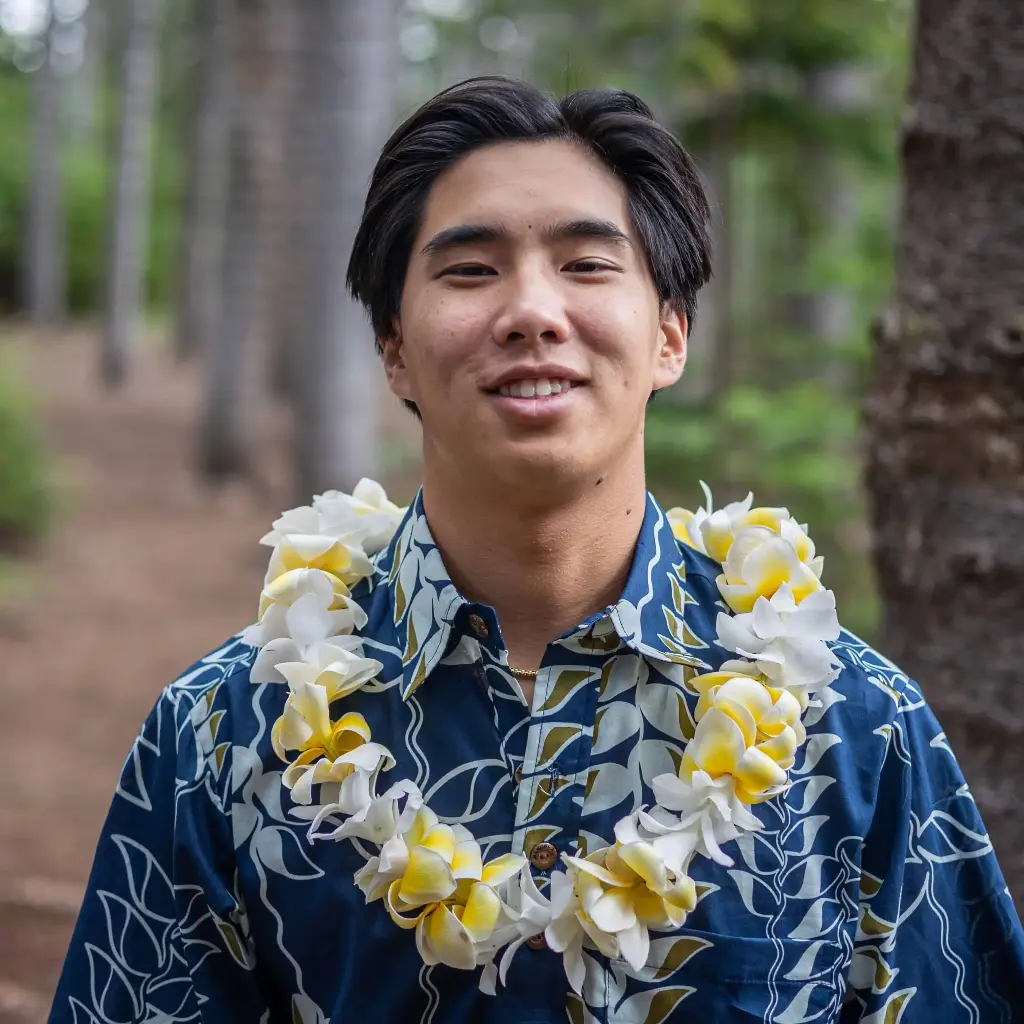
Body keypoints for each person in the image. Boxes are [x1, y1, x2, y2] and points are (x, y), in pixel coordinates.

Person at [49, 76, 1023, 1024]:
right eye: (469, 270)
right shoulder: (224, 734)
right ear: (394, 347)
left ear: (669, 337)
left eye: (587, 264)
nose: (531, 311)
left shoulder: (854, 729)